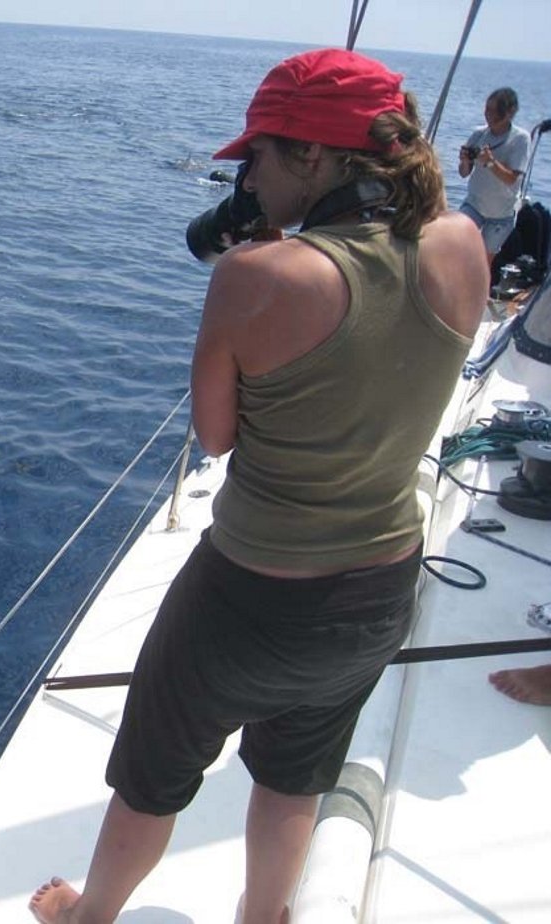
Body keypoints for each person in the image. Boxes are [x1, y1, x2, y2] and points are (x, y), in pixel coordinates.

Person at [30, 48, 489, 924]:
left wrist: (267, 264)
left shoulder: (255, 275)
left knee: (153, 781)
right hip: (381, 591)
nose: (248, 176)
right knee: (293, 781)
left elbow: (217, 435)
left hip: (248, 598)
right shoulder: (463, 242)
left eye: (259, 157)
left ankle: (88, 918)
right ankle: (263, 918)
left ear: (314, 156)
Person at [458, 87, 532, 264]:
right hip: (474, 205)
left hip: (500, 214)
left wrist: (490, 162)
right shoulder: (478, 134)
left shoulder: (520, 139)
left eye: (493, 111)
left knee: (483, 262)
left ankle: (479, 290)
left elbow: (511, 178)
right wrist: (465, 160)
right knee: (457, 244)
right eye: (487, 109)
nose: (488, 115)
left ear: (508, 113)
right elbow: (463, 173)